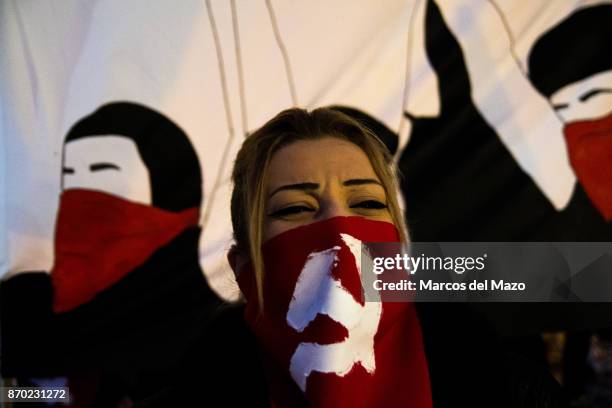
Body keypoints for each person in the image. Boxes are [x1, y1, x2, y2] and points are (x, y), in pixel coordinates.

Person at [146, 107, 566, 407]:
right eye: (295, 208)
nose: (340, 225)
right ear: (245, 269)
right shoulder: (194, 390)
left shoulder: (504, 384)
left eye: (366, 202)